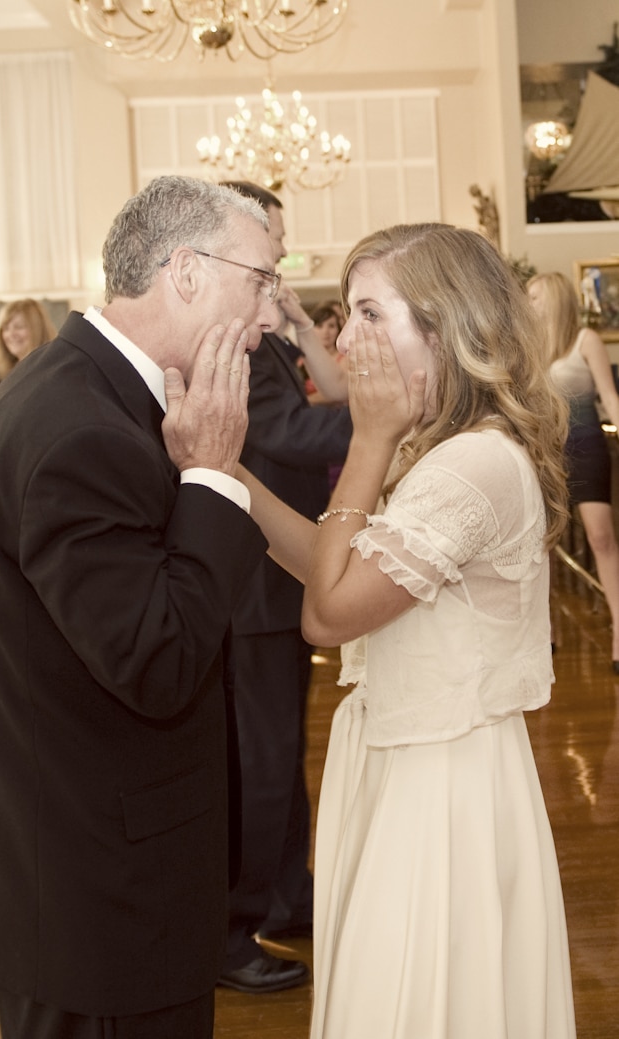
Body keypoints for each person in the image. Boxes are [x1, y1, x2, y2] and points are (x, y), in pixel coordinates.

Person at [0, 175, 280, 1039]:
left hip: (76, 873)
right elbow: (159, 660)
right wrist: (209, 476)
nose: (270, 318)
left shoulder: (75, 387)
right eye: (262, 282)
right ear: (186, 272)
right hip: (101, 901)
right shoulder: (83, 428)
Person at [239, 223, 576, 1037]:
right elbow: (335, 565)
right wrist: (224, 469)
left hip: (443, 778)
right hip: (403, 752)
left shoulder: (472, 466)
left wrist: (369, 437)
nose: (343, 341)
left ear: (445, 326)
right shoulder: (442, 448)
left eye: (368, 313)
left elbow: (326, 612)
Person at [216, 180, 352, 994]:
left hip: (281, 570)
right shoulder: (236, 337)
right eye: (272, 238)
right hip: (258, 579)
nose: (282, 252)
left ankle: (288, 894)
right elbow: (286, 431)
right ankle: (233, 932)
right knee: (262, 762)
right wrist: (390, 415)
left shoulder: (264, 327)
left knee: (282, 750)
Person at [528, 270, 619, 670]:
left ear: (553, 297)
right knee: (542, 544)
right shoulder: (531, 346)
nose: (528, 304)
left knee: (601, 537)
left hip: (586, 447)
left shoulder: (586, 340)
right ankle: (544, 632)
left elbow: (609, 397)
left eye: (534, 296)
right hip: (545, 452)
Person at [0, 298, 58, 380]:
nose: (11, 334)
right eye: (6, 328)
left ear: (38, 330)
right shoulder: (3, 376)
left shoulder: (53, 372)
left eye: (19, 327)